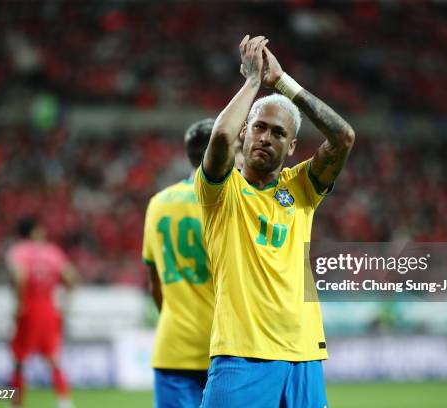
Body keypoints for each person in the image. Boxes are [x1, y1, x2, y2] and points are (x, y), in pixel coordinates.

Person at [195, 35, 355, 407]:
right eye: (260, 127)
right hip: (242, 353)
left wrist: (283, 83)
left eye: (279, 133)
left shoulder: (302, 186)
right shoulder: (222, 190)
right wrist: (252, 82)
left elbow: (343, 137)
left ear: (292, 147)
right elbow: (220, 136)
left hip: (303, 354)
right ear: (246, 131)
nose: (266, 137)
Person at [142, 118, 217, 408]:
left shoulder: (158, 202)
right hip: (226, 352)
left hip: (172, 348)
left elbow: (154, 282)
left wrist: (176, 317)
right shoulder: (226, 201)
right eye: (236, 147)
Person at [7, 217, 79, 408]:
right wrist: (65, 304)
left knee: (20, 359)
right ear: (34, 231)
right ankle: (65, 402)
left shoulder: (19, 250)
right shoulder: (52, 251)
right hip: (49, 306)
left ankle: (16, 403)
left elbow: (19, 274)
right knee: (53, 357)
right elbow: (71, 277)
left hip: (29, 306)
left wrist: (19, 302)